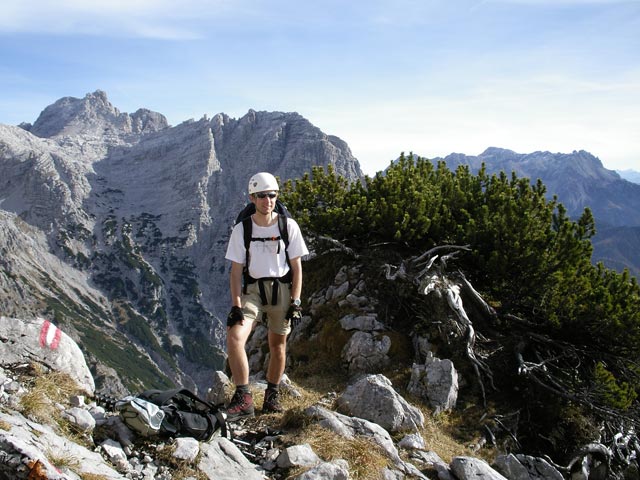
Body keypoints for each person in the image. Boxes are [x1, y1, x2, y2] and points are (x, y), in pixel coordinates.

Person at [224, 172, 309, 420]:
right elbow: (235, 271)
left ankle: (272, 396)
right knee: (235, 337)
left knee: (278, 345)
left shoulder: (288, 226)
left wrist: (296, 302)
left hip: (281, 291)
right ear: (252, 198)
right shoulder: (243, 229)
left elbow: (297, 267)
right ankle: (244, 397)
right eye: (261, 196)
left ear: (276, 196)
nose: (267, 200)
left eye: (272, 195)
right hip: (252, 292)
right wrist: (236, 306)